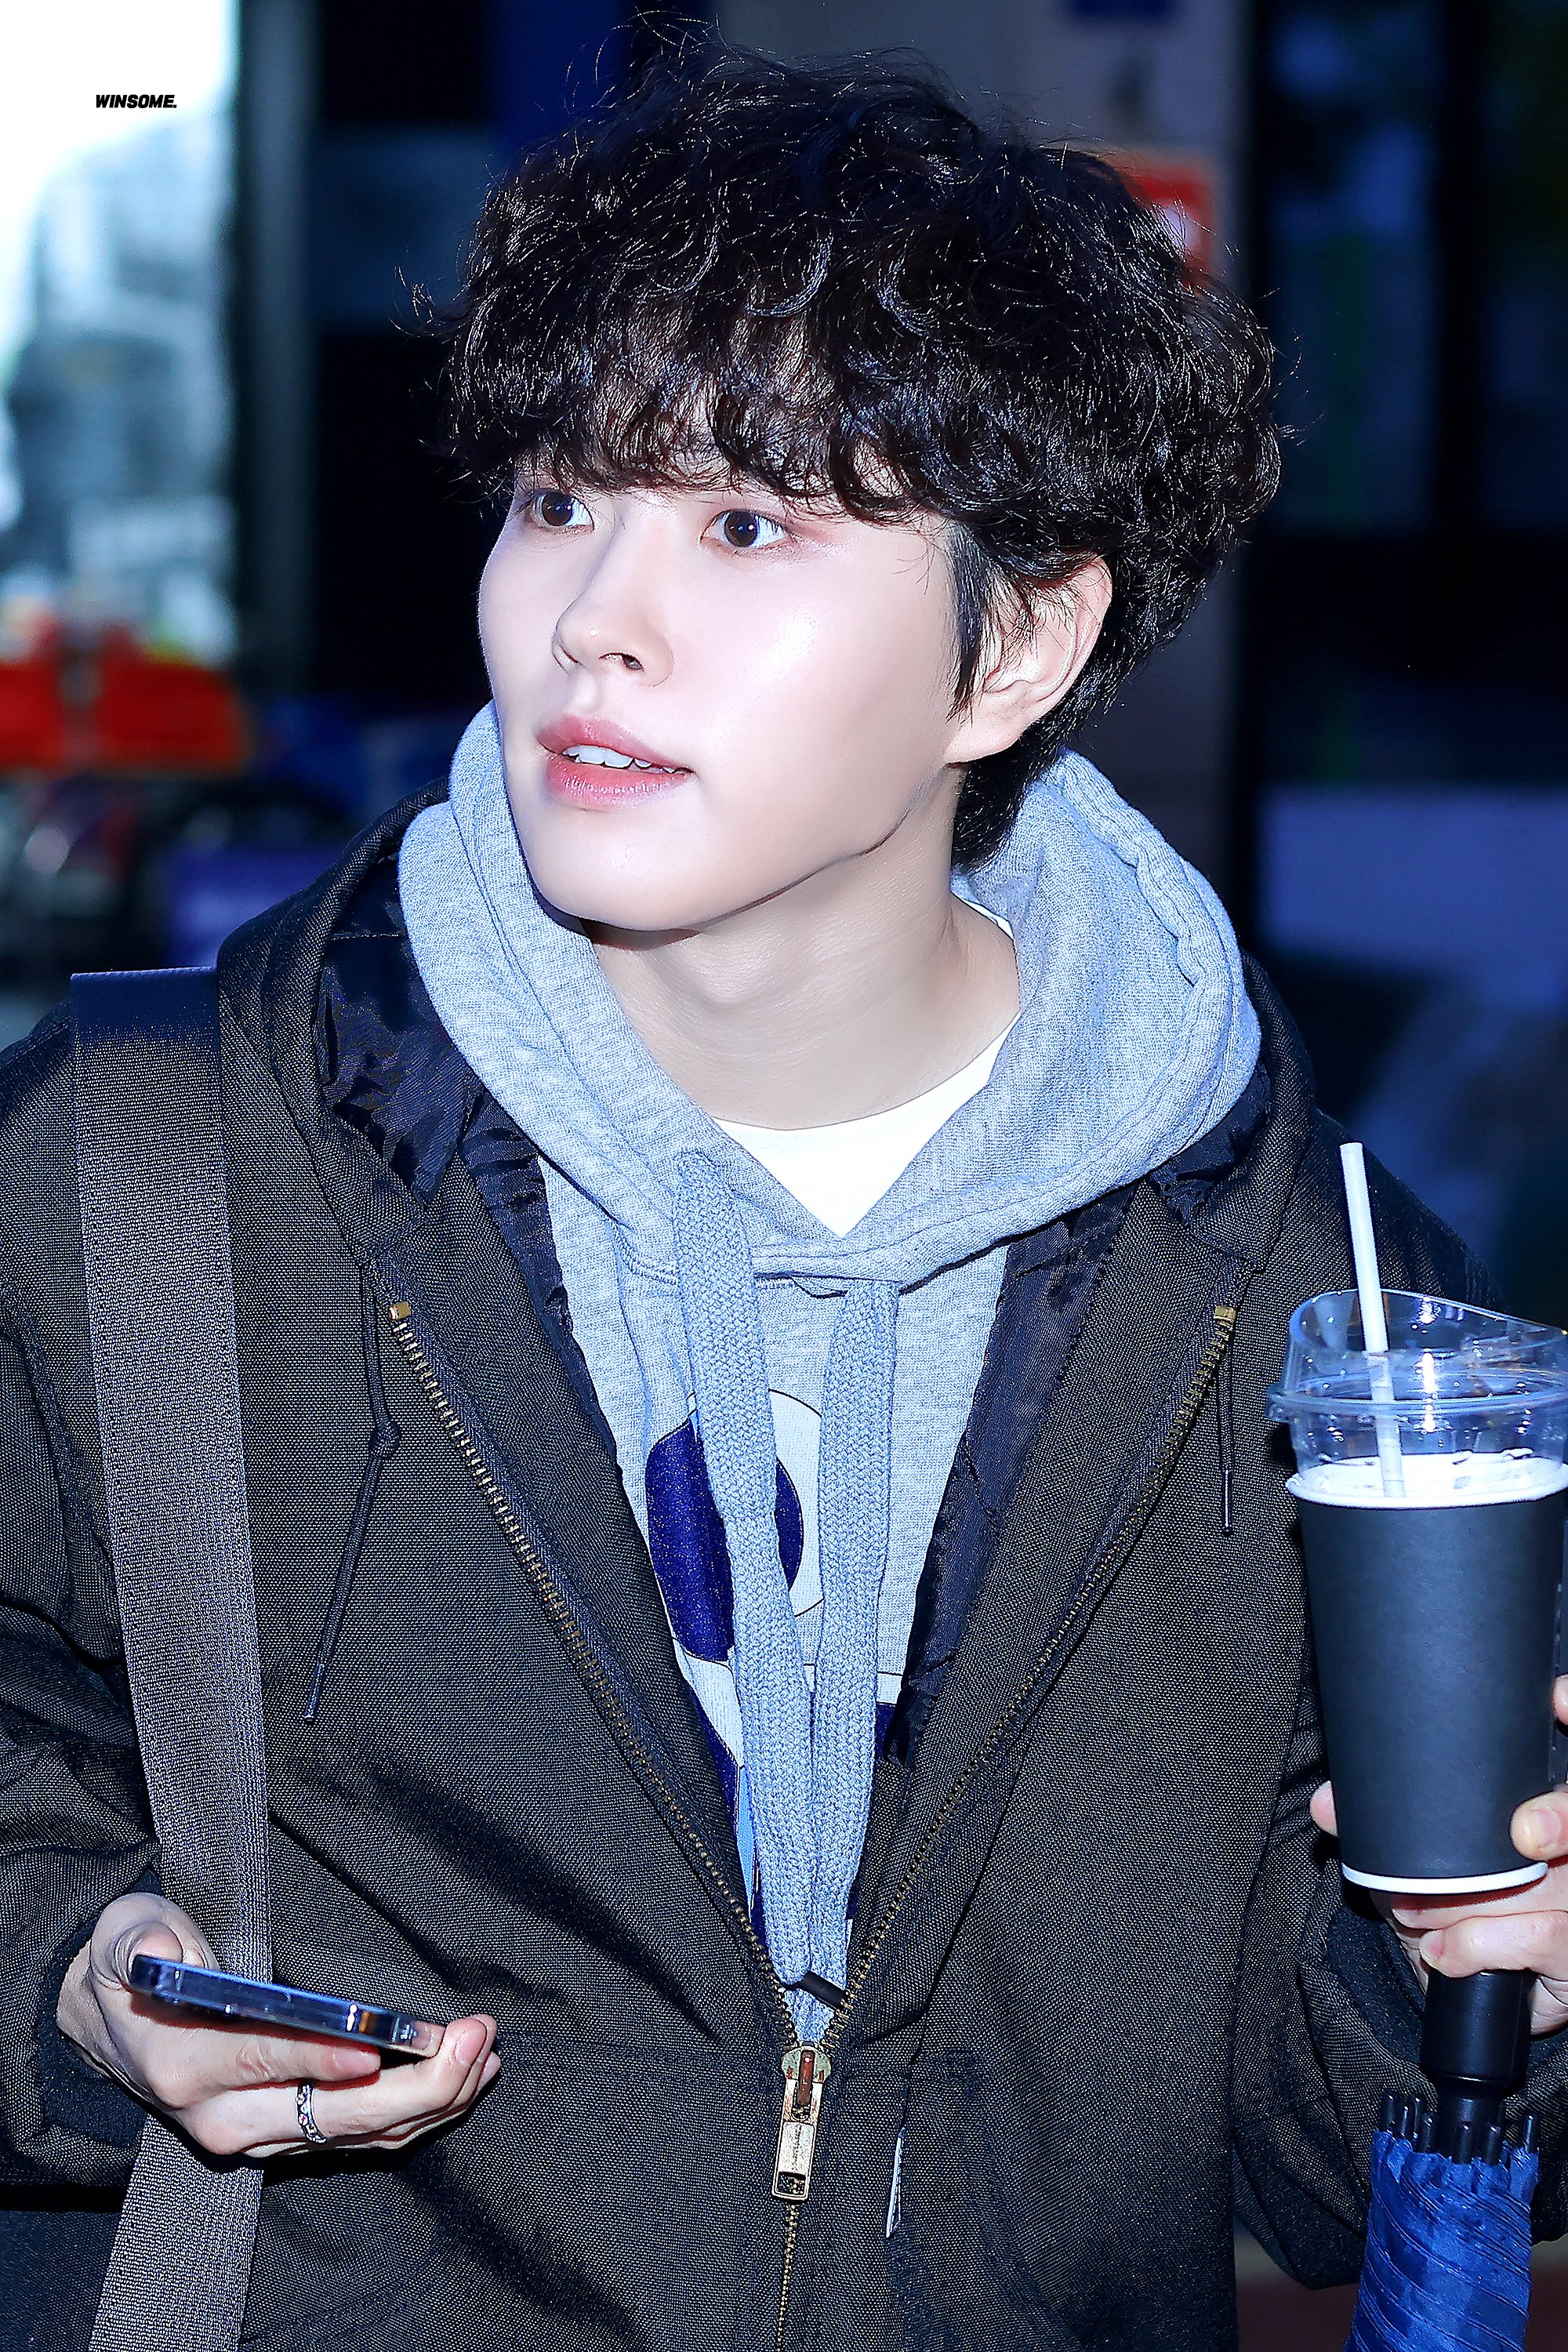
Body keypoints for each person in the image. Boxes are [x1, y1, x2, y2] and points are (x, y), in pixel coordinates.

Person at [4, 49, 1568, 2352]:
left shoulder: (1302, 1306)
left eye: (746, 527)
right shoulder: (161, 1166)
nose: (594, 621)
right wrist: (82, 1972)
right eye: (559, 496)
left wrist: (1491, 1978)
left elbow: (1324, 2156)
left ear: (1014, 647)